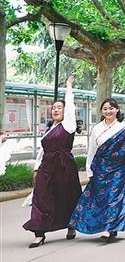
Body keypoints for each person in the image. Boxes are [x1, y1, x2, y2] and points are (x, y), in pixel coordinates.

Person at [68, 98, 125, 240]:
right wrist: (89, 169)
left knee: (114, 197)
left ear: (117, 110)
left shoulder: (124, 127)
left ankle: (110, 228)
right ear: (101, 111)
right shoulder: (97, 128)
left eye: (111, 108)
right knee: (97, 198)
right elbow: (92, 150)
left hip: (118, 168)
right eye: (105, 109)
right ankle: (100, 225)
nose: (108, 111)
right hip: (100, 168)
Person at [23, 76, 82, 248]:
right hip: (47, 167)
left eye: (59, 107)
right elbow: (43, 151)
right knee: (41, 197)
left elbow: (70, 106)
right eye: (53, 108)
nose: (55, 110)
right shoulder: (49, 130)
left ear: (65, 111)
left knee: (68, 197)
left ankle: (71, 226)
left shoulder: (69, 125)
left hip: (64, 167)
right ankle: (39, 233)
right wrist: (36, 169)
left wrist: (68, 86)